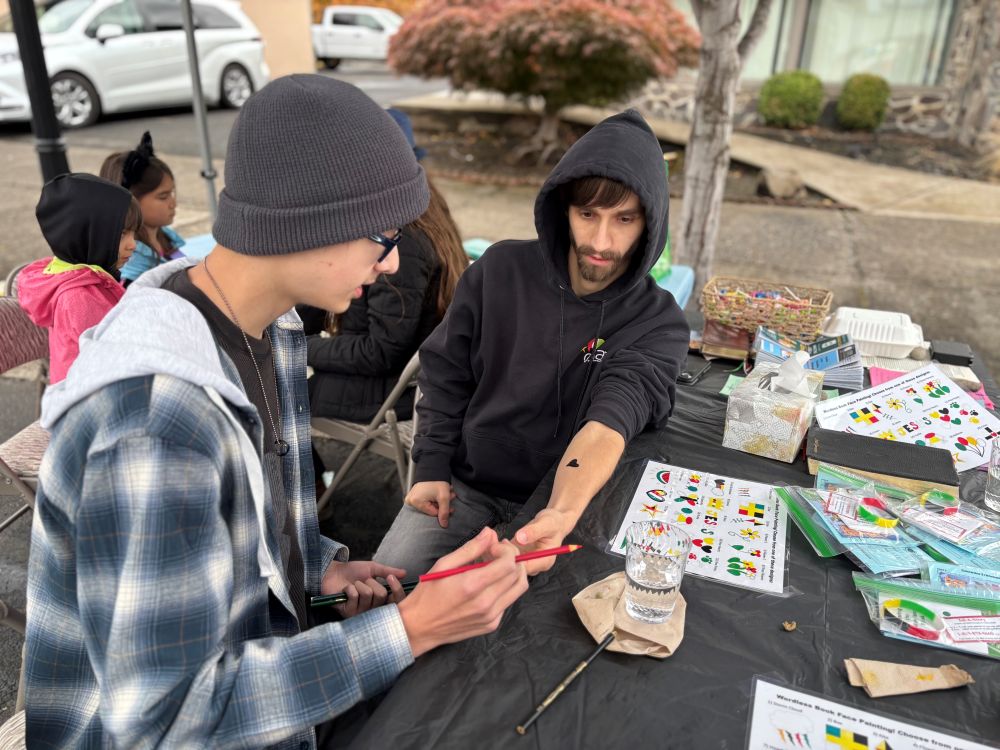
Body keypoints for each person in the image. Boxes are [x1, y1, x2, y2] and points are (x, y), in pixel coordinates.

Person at [24, 75, 527, 749]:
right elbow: (165, 722)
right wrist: (410, 630)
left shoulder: (276, 331)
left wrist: (318, 577)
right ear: (306, 223)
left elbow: (246, 558)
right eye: (383, 236)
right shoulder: (155, 423)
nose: (393, 262)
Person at [375, 109, 690, 577]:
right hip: (465, 484)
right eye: (588, 214)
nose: (601, 240)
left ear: (650, 223)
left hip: (563, 500)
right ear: (563, 209)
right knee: (381, 588)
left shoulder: (657, 320)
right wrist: (431, 467)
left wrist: (560, 514)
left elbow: (610, 422)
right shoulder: (499, 271)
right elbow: (445, 372)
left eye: (624, 218)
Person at [301, 177, 467, 424]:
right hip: (412, 381)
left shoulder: (399, 245)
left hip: (393, 392)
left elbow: (380, 352)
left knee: (271, 396)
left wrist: (297, 348)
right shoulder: (426, 217)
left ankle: (305, 465)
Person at [17, 173, 141, 383]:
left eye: (133, 234)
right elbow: (111, 360)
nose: (133, 244)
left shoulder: (86, 277)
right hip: (90, 400)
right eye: (122, 235)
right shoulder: (80, 296)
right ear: (87, 234)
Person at [99, 131, 185, 284]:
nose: (173, 203)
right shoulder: (129, 260)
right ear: (132, 201)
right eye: (163, 197)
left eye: (172, 193)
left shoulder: (165, 237)